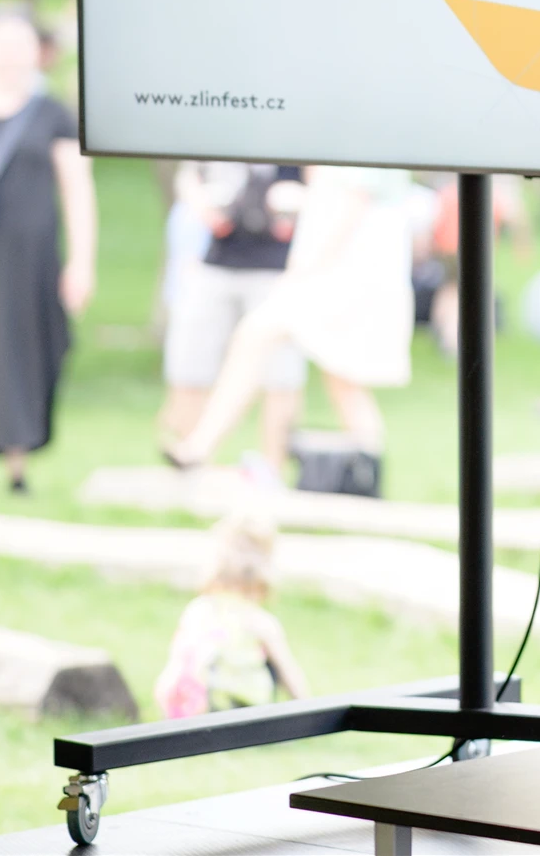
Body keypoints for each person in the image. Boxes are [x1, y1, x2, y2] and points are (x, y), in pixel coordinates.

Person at [169, 167, 415, 469]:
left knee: (258, 335)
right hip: (341, 269)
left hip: (344, 272)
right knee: (343, 381)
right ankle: (366, 476)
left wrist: (306, 269)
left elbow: (354, 204)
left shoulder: (360, 151)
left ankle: (200, 446)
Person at [0, 4, 96, 494]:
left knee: (23, 354)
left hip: (30, 261)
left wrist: (82, 262)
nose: (10, 55)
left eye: (20, 44)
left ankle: (17, 464)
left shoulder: (53, 113)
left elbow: (77, 190)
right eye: (1, 43)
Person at [157, 162, 307, 466]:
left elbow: (328, 185)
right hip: (215, 258)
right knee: (190, 370)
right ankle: (192, 465)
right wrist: (201, 204)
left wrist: (296, 199)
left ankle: (272, 471)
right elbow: (190, 173)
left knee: (281, 376)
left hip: (279, 267)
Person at [154, 511, 309, 718]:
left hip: (199, 712)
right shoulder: (260, 622)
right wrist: (308, 711)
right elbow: (290, 677)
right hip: (247, 716)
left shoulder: (198, 610)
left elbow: (177, 663)